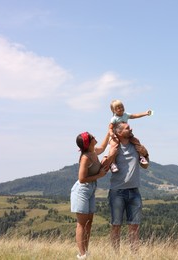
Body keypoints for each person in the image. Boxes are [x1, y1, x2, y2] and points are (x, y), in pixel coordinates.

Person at [108, 122, 149, 253]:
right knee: (116, 226)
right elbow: (106, 163)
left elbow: (145, 165)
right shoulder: (114, 146)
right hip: (117, 192)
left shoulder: (136, 145)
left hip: (134, 191)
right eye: (127, 128)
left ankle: (134, 255)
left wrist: (145, 153)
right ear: (119, 132)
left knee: (134, 227)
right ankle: (115, 255)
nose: (131, 129)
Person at [71, 131, 111, 259]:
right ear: (88, 143)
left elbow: (104, 147)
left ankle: (85, 252)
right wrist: (99, 176)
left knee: (89, 223)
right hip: (82, 191)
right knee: (82, 224)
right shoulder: (85, 158)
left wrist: (109, 132)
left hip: (91, 189)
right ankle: (82, 255)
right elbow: (82, 179)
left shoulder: (93, 152)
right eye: (92, 137)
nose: (95, 137)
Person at [107, 99, 151, 173]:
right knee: (113, 147)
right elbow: (110, 128)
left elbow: (135, 115)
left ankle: (141, 157)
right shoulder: (114, 119)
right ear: (114, 110)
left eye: (122, 106)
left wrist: (145, 113)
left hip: (126, 135)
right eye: (118, 107)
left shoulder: (126, 115)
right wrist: (111, 133)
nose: (121, 108)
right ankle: (113, 163)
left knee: (136, 141)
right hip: (115, 136)